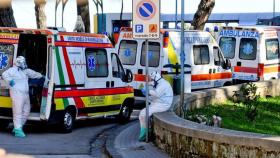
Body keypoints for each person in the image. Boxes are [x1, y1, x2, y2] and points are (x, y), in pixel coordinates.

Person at [2, 56, 44, 138]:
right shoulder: (13, 70)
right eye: (22, 62)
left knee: (26, 111)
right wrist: (10, 81)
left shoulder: (25, 71)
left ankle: (18, 127)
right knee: (18, 112)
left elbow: (34, 74)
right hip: (17, 93)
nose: (24, 64)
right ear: (19, 63)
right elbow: (4, 74)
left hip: (25, 94)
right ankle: (18, 130)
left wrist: (42, 76)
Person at [138, 71, 174, 141]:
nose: (151, 81)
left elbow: (157, 94)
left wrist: (148, 91)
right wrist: (146, 87)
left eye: (152, 79)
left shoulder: (162, 85)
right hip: (160, 103)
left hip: (163, 105)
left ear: (155, 79)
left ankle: (145, 134)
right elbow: (152, 84)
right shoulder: (160, 82)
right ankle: (146, 131)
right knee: (144, 113)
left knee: (143, 114)